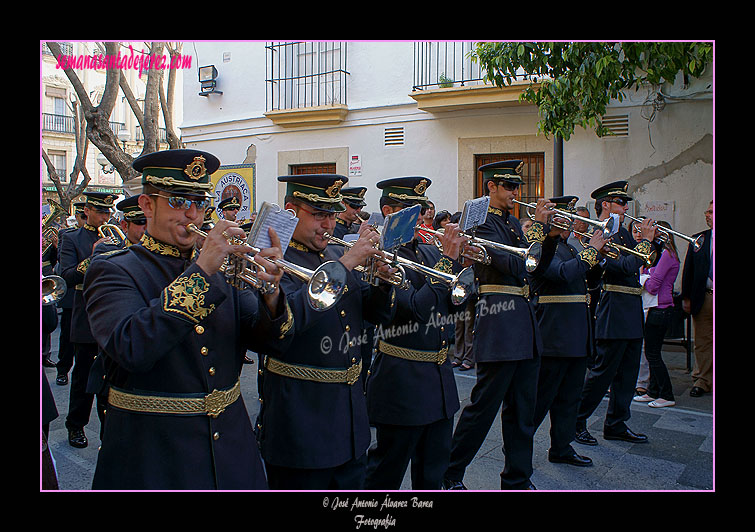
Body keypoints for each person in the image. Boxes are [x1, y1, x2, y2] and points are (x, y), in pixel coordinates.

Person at [84, 149, 293, 490]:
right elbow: (132, 348)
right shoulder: (113, 269)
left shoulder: (223, 269)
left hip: (231, 449)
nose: (192, 214)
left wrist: (270, 292)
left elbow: (276, 342)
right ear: (147, 205)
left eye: (199, 201)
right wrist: (203, 269)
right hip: (153, 455)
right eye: (179, 201)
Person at [256, 173, 396, 490]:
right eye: (318, 214)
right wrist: (347, 264)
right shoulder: (275, 261)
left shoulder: (332, 256)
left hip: (349, 422)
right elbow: (284, 329)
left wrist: (381, 280)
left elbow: (374, 314)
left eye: (332, 214)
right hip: (301, 424)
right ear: (291, 211)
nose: (328, 225)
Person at [442, 160, 553, 491]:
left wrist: (549, 237)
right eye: (509, 187)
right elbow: (510, 264)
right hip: (499, 319)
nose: (516, 193)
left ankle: (517, 478)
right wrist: (537, 229)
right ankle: (450, 472)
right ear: (490, 187)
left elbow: (535, 269)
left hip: (524, 321)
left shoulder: (514, 225)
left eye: (517, 187)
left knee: (523, 411)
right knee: (482, 408)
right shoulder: (479, 222)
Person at [364, 177, 466, 490]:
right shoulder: (382, 256)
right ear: (388, 212)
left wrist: (460, 263)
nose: (421, 216)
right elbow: (418, 311)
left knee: (432, 476)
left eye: (422, 209)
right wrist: (449, 260)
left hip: (439, 382)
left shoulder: (428, 252)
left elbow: (454, 306)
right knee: (386, 474)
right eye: (411, 210)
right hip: (402, 382)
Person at [574, 181, 657, 447]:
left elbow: (644, 260)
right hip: (613, 307)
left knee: (628, 373)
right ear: (606, 204)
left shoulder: (622, 234)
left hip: (631, 308)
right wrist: (644, 242)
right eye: (620, 203)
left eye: (625, 203)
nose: (625, 208)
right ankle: (576, 420)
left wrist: (648, 243)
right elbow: (623, 266)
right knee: (602, 373)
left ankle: (616, 423)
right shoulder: (601, 233)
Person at [528, 196, 606, 468]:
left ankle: (561, 447)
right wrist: (590, 253)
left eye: (572, 216)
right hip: (555, 333)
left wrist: (597, 260)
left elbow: (588, 281)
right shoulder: (541, 249)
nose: (572, 222)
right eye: (566, 216)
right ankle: (518, 445)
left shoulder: (571, 248)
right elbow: (561, 274)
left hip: (576, 333)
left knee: (569, 398)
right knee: (541, 398)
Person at [58, 191, 119, 448]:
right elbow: (67, 275)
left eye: (108, 212)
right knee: (83, 377)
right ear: (88, 212)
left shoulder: (118, 238)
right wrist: (93, 256)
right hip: (85, 314)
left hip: (112, 314)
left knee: (110, 379)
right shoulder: (71, 238)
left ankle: (110, 430)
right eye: (101, 212)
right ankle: (75, 425)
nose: (106, 217)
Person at [633, 221, 680, 408]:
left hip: (661, 308)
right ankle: (653, 392)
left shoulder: (667, 255)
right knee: (651, 351)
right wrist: (648, 274)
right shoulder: (661, 254)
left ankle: (666, 395)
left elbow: (652, 286)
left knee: (653, 354)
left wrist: (645, 277)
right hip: (656, 308)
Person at [681, 200, 713, 398]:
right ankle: (702, 380)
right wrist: (686, 297)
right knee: (703, 341)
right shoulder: (699, 240)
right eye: (707, 211)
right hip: (706, 297)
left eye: (711, 212)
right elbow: (689, 271)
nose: (707, 214)